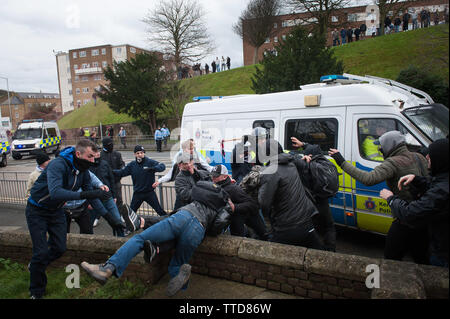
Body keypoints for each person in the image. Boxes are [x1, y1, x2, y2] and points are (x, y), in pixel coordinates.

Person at [80, 181, 235, 297]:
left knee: (139, 239)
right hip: (198, 229)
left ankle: (108, 268)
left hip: (183, 215)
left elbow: (190, 193)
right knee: (177, 264)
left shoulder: (206, 192)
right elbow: (216, 227)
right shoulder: (224, 207)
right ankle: (181, 282)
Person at [26, 139, 114, 299]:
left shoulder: (83, 170)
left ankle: (36, 266)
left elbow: (91, 195)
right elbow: (56, 192)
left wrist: (109, 217)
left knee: (60, 248)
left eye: (94, 157)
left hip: (56, 211)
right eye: (89, 156)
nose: (92, 161)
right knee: (40, 252)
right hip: (37, 211)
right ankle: (36, 291)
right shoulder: (58, 165)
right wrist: (84, 194)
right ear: (78, 154)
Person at [329, 130, 430, 264]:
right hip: (425, 215)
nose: (380, 149)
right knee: (422, 256)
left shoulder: (392, 163)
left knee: (391, 257)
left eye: (381, 146)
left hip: (405, 218)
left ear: (390, 146)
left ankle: (390, 282)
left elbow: (368, 178)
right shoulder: (419, 157)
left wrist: (341, 162)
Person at [380, 138, 449, 268]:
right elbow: (436, 186)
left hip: (443, 254)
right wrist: (417, 179)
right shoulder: (443, 179)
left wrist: (390, 199)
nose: (427, 156)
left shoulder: (442, 189)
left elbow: (410, 213)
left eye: (431, 154)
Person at [257, 140, 323, 249]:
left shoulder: (270, 172)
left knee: (270, 255)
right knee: (318, 256)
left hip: (287, 225)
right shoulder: (292, 162)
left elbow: (264, 202)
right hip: (307, 220)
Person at [290, 137, 336, 252]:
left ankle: (314, 250)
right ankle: (331, 250)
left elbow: (290, 156)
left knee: (311, 227)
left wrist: (301, 155)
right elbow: (316, 149)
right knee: (329, 227)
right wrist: (304, 144)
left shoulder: (305, 165)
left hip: (310, 202)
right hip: (323, 201)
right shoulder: (325, 162)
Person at [211, 164, 268, 240]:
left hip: (249, 214)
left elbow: (252, 204)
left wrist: (235, 207)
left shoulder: (233, 189)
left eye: (216, 176)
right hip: (237, 217)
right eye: (212, 176)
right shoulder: (216, 186)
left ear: (225, 176)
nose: (213, 179)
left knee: (264, 235)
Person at [114, 145, 167, 216]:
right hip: (137, 194)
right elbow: (122, 172)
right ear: (135, 154)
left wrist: (154, 168)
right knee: (131, 213)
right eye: (138, 153)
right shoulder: (132, 165)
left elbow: (162, 166)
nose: (140, 155)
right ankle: (127, 226)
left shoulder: (150, 162)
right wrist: (111, 171)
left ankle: (169, 222)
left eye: (141, 153)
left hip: (149, 193)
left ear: (144, 153)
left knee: (159, 210)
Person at [89, 150, 126, 237]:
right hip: (95, 199)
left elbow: (111, 180)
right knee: (89, 224)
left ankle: (121, 240)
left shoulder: (104, 164)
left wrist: (114, 195)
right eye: (95, 152)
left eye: (98, 151)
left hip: (107, 197)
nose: (97, 153)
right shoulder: (88, 166)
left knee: (117, 220)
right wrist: (88, 201)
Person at [100, 137, 125, 206]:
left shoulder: (117, 154)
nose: (111, 145)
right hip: (106, 183)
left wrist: (119, 172)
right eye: (109, 144)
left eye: (112, 144)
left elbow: (122, 165)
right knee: (107, 201)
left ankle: (119, 215)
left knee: (119, 200)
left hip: (116, 182)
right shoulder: (100, 155)